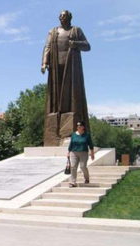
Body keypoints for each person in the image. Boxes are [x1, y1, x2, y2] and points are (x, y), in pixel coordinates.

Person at [41, 10, 91, 145]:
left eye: (63, 16)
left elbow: (87, 46)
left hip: (71, 67)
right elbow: (47, 47)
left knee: (71, 98)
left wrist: (75, 43)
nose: (61, 18)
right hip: (55, 67)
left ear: (69, 17)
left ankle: (68, 131)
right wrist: (44, 62)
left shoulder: (76, 30)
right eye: (60, 16)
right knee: (55, 100)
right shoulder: (53, 32)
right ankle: (54, 136)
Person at [67, 121, 94, 188]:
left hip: (83, 153)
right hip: (74, 152)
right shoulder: (73, 135)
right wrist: (68, 152)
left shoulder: (87, 135)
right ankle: (73, 182)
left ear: (83, 127)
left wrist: (92, 153)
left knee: (83, 166)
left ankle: (87, 178)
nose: (78, 127)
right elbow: (71, 144)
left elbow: (90, 145)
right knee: (73, 167)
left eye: (80, 126)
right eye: (77, 126)